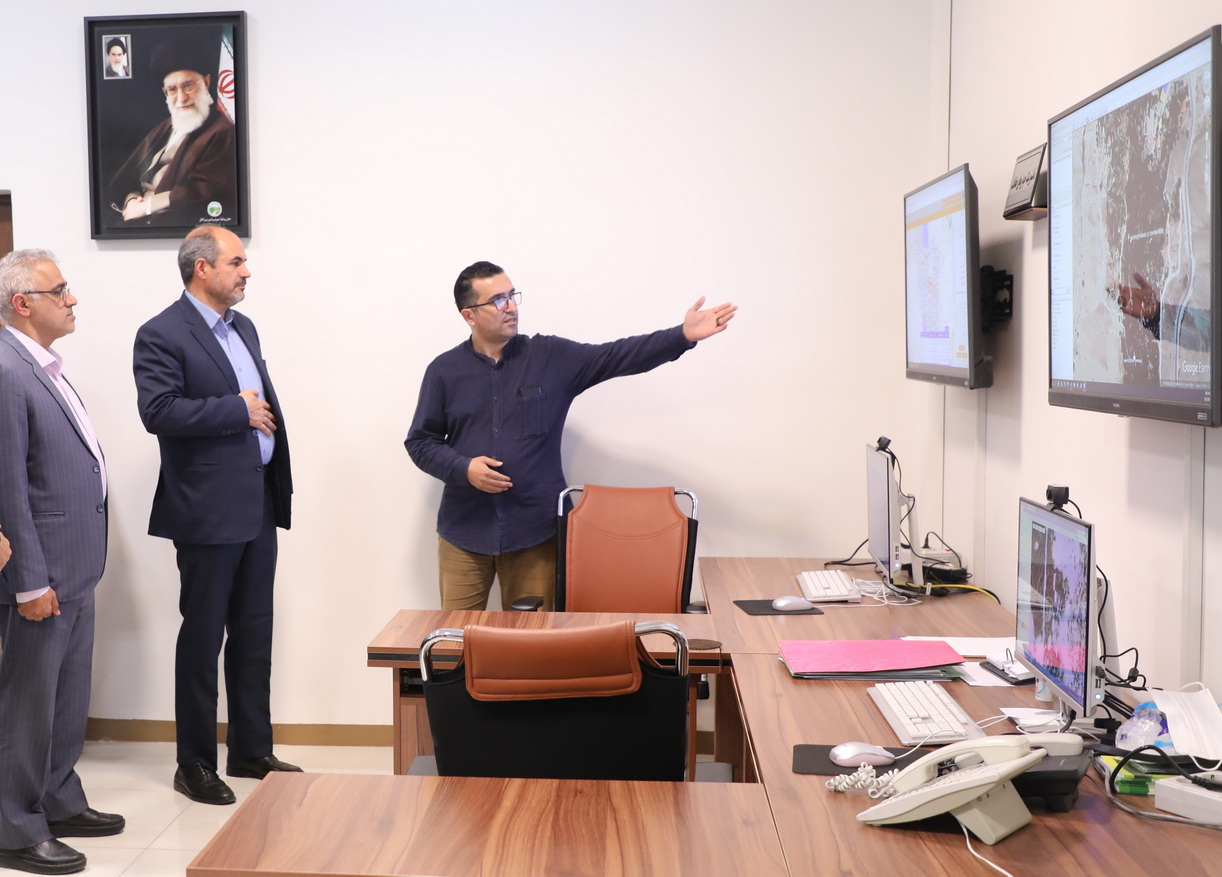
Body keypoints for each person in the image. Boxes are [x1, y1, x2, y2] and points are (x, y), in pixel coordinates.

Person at [405, 260, 736, 611]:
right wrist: (464, 468)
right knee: (456, 637)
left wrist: (681, 336)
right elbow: (420, 442)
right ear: (469, 315)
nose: (511, 307)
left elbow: (616, 355)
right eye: (498, 300)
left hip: (535, 533)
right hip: (464, 534)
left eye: (512, 296)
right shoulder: (444, 371)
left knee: (533, 639)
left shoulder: (550, 356)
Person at [133, 227, 298, 807]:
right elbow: (158, 412)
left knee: (254, 632)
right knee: (204, 637)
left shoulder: (243, 327)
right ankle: (195, 762)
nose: (246, 271)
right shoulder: (161, 333)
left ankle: (251, 748)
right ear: (201, 268)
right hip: (205, 509)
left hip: (257, 502)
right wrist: (236, 409)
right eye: (236, 261)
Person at [0, 250, 123, 875]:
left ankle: (56, 798)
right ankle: (14, 827)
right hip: (41, 573)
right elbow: (9, 486)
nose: (72, 299)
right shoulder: (7, 370)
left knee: (66, 697)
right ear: (23, 303)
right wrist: (27, 583)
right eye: (60, 290)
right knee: (28, 703)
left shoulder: (42, 366)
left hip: (75, 566)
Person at [107, 35, 237, 227]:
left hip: (166, 220)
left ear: (207, 83)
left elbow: (204, 191)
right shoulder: (167, 125)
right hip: (134, 214)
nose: (181, 98)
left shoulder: (222, 130)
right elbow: (131, 178)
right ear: (165, 93)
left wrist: (147, 207)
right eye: (172, 90)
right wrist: (132, 200)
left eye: (188, 86)